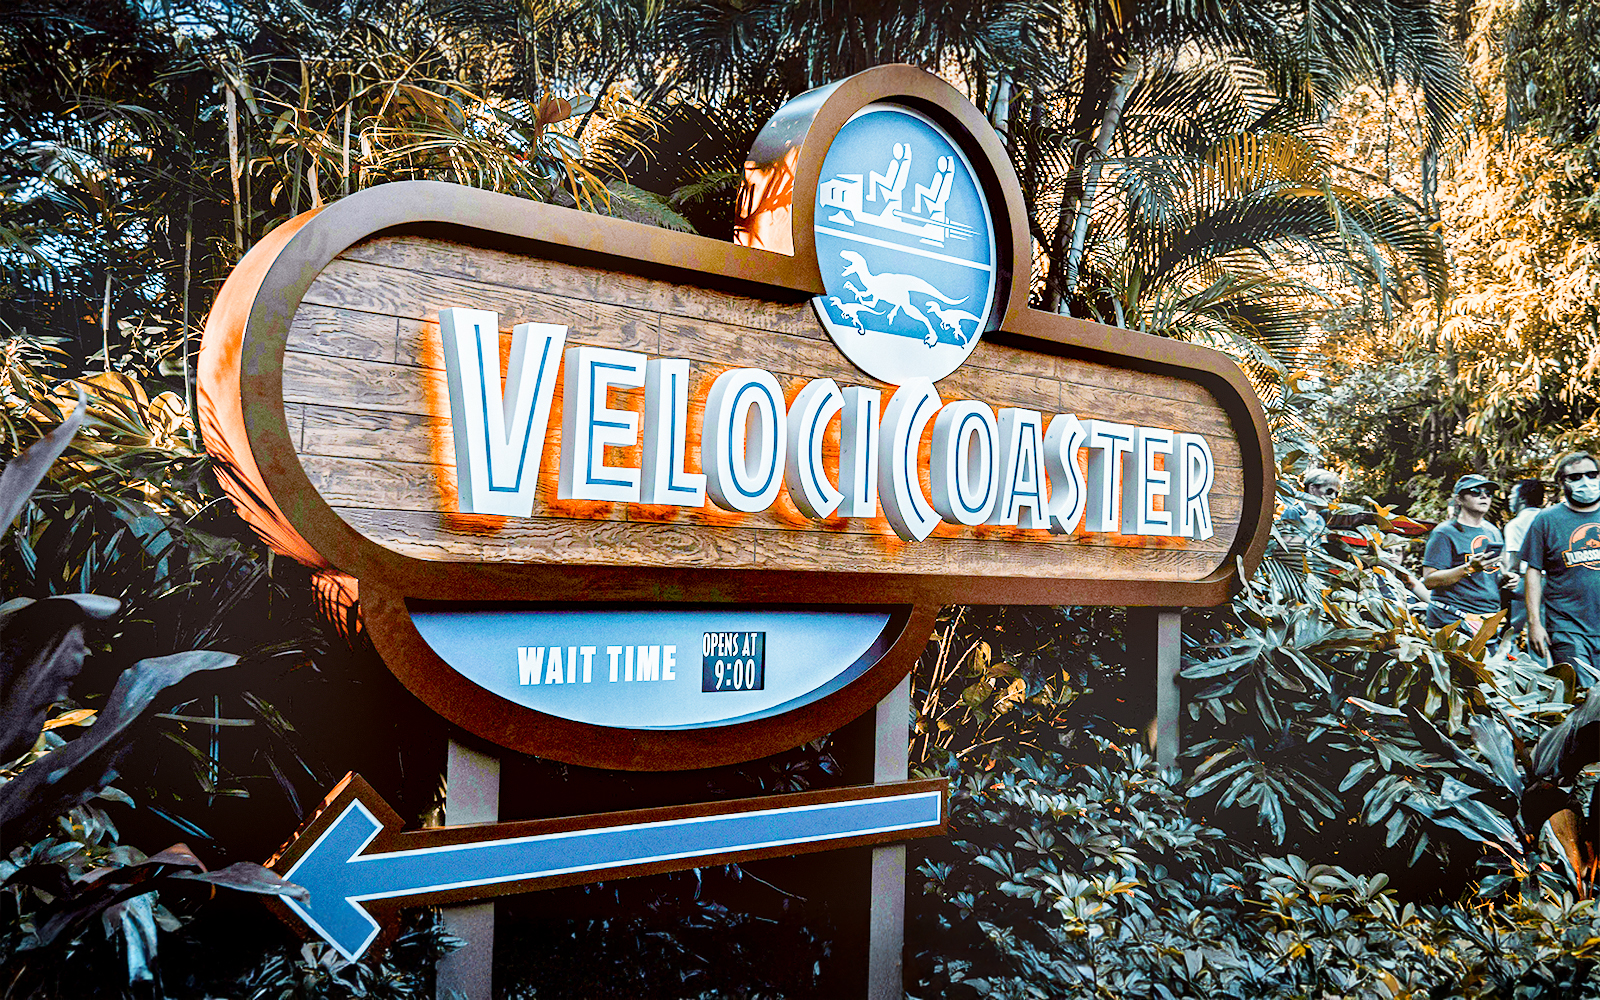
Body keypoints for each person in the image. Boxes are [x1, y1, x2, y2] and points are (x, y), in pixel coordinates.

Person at [1522, 452, 1600, 685]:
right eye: (1575, 477)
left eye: (1592, 474)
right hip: (1568, 628)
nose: (1585, 481)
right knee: (1582, 699)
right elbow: (1533, 572)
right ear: (1561, 482)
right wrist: (1534, 623)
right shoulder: (1546, 520)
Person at [1421, 474, 1505, 633]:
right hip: (1452, 619)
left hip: (1487, 618)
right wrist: (1468, 568)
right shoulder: (1445, 532)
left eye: (1488, 492)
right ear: (1459, 499)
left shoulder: (1493, 531)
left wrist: (1505, 579)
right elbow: (1429, 580)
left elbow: (1486, 579)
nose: (1483, 496)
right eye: (1475, 491)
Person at [1502, 479, 1546, 634]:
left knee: (1514, 630)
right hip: (1552, 583)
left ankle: (1512, 656)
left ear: (1521, 498)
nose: (1509, 498)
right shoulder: (1548, 519)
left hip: (1524, 581)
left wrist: (1507, 580)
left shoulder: (1516, 524)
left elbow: (1514, 559)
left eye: (1513, 494)